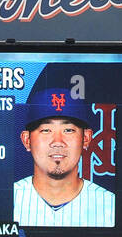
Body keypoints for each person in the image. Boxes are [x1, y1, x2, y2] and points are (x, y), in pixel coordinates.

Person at [12, 88, 115, 226]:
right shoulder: (6, 200)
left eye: (68, 130)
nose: (58, 142)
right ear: (27, 140)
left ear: (86, 138)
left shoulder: (110, 204)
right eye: (46, 130)